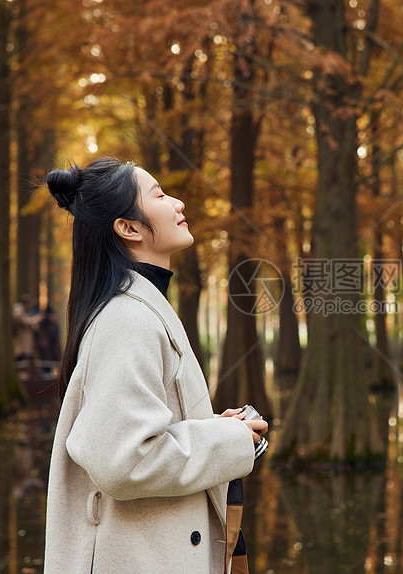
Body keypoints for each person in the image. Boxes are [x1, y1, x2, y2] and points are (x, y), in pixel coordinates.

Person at [43, 157, 267, 573]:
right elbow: (127, 461)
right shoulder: (128, 319)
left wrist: (218, 428)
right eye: (160, 195)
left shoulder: (140, 308)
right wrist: (230, 441)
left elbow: (135, 434)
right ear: (128, 228)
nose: (178, 203)